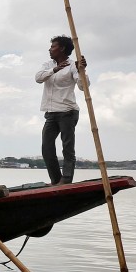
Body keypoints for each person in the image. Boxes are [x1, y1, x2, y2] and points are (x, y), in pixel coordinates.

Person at [36, 35, 88, 185]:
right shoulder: (48, 64)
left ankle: (66, 179)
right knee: (47, 147)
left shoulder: (73, 65)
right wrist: (55, 69)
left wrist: (82, 70)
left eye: (53, 47)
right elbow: (38, 78)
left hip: (67, 112)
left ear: (62, 48)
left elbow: (83, 87)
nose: (50, 49)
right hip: (51, 112)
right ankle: (55, 179)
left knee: (67, 147)